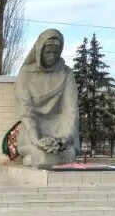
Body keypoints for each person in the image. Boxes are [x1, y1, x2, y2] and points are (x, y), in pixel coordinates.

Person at [14, 29, 79, 168]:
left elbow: (70, 110)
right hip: (34, 131)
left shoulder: (66, 73)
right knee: (43, 158)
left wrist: (65, 138)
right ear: (39, 50)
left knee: (68, 156)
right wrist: (36, 139)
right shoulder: (26, 73)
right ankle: (33, 154)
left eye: (55, 52)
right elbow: (26, 111)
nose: (51, 57)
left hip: (59, 132)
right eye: (48, 52)